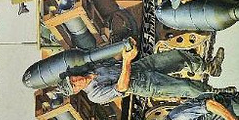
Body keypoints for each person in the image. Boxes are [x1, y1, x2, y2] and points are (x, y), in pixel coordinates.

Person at [63, 38, 225, 106]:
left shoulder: (93, 69)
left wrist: (126, 47)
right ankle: (217, 96)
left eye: (72, 79)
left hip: (140, 67)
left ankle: (209, 68)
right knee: (186, 87)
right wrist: (127, 60)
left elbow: (114, 59)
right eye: (74, 85)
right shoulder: (94, 95)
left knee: (177, 57)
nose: (76, 81)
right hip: (144, 85)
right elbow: (122, 87)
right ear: (76, 92)